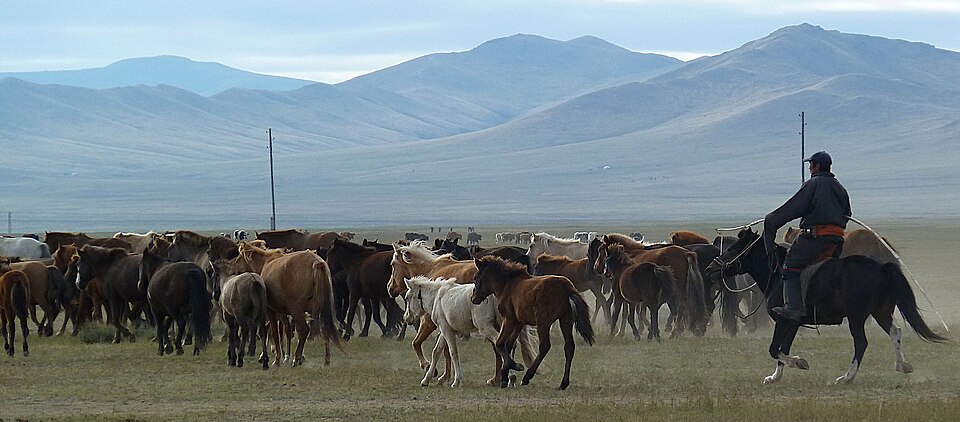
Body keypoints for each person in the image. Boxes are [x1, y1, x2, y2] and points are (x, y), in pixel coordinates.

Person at [763, 151, 851, 321]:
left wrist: (771, 222)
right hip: (837, 241)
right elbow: (847, 212)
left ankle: (793, 307)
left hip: (815, 239)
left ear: (817, 166)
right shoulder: (840, 187)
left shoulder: (813, 184)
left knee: (789, 266)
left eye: (811, 164)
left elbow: (792, 208)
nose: (809, 167)